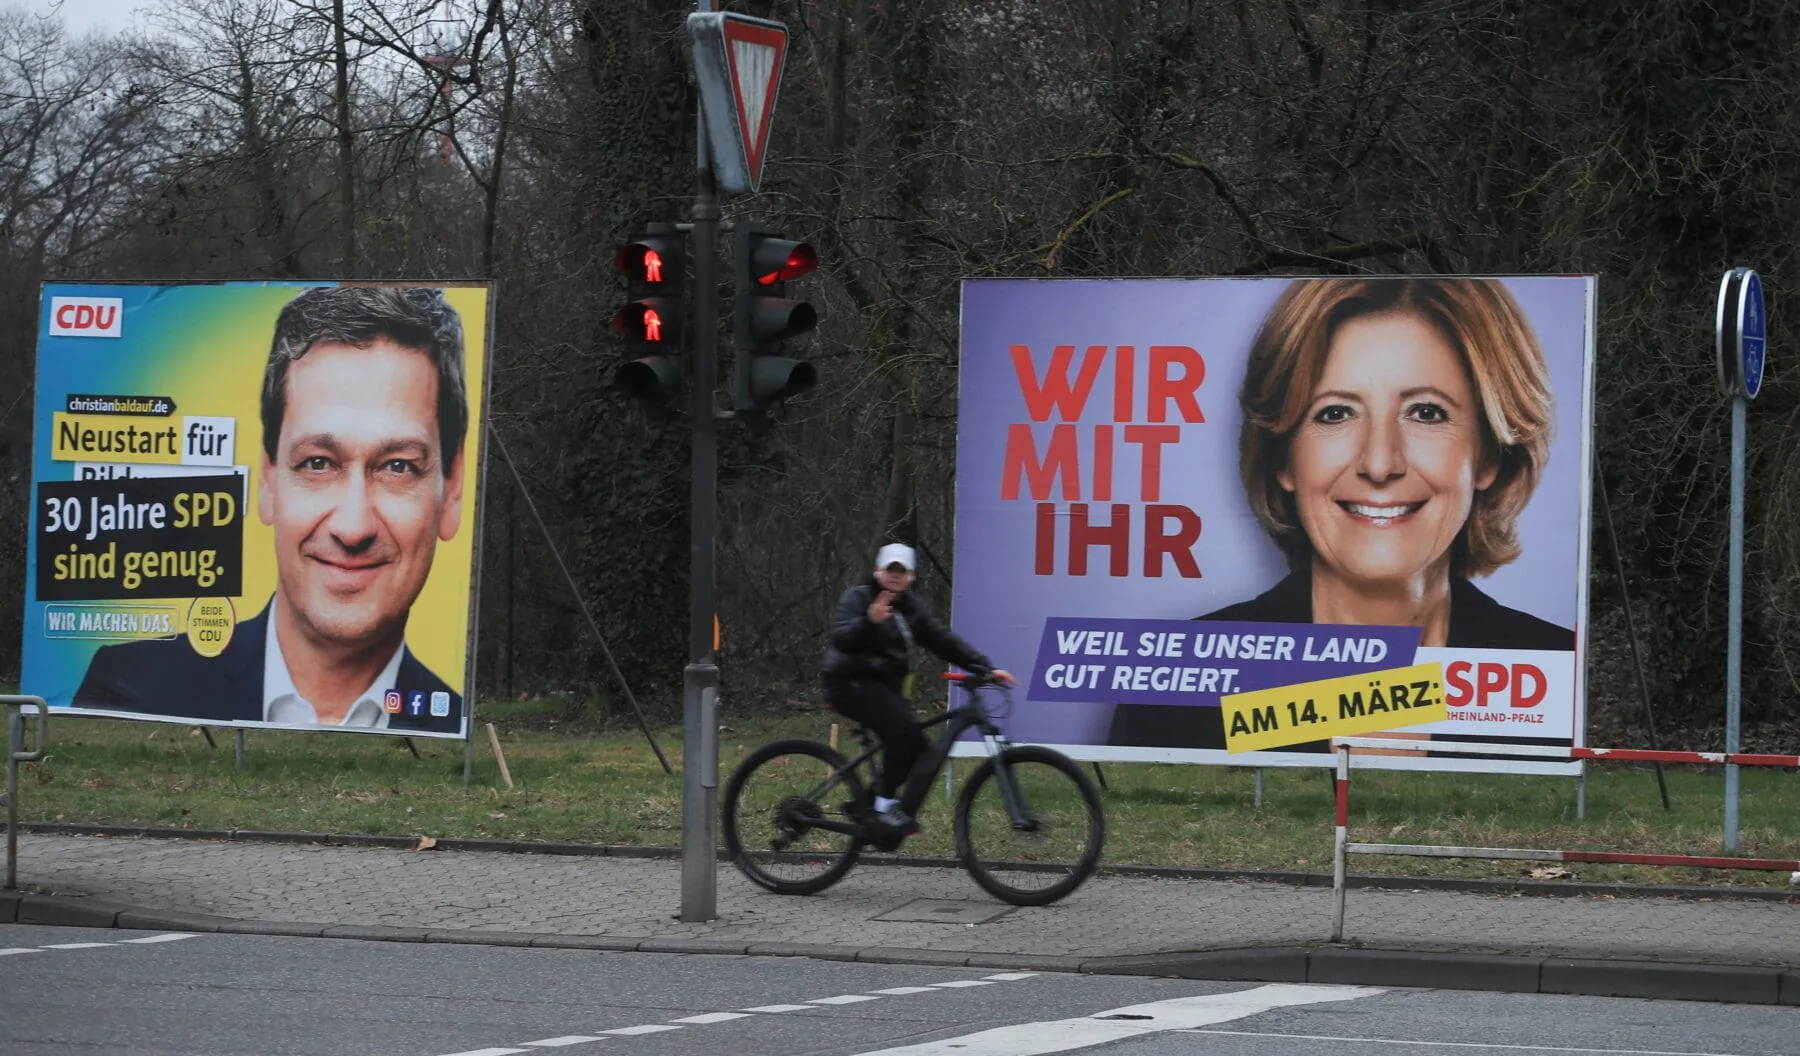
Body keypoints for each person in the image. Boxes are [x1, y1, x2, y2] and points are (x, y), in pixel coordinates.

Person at [1109, 277, 1573, 749]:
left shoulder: (1554, 668)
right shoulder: (1170, 689)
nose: (1379, 463)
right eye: (1335, 414)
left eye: (1426, 413)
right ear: (1283, 457)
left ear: (1490, 454)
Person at [73, 286, 470, 734]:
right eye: (317, 463)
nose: (353, 526)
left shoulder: (448, 721)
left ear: (451, 490)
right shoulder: (128, 687)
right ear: (268, 480)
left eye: (399, 466)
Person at [823, 543, 1016, 832]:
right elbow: (839, 638)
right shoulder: (859, 598)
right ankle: (886, 808)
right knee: (906, 735)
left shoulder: (913, 609)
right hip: (849, 682)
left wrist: (985, 668)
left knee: (917, 748)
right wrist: (869, 621)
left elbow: (942, 641)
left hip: (884, 688)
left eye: (902, 571)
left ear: (912, 576)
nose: (896, 576)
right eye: (890, 569)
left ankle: (866, 806)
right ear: (878, 571)